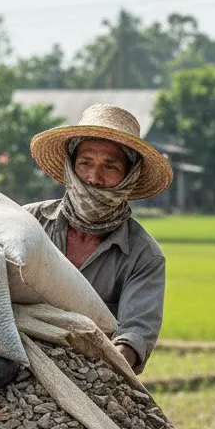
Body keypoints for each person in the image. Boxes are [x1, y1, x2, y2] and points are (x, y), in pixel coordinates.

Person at [26, 104, 174, 374]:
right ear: (71, 167)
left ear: (129, 176)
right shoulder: (28, 223)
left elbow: (134, 334)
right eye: (85, 163)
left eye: (110, 166)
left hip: (94, 369)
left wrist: (99, 369)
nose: (94, 178)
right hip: (19, 360)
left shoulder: (143, 256)